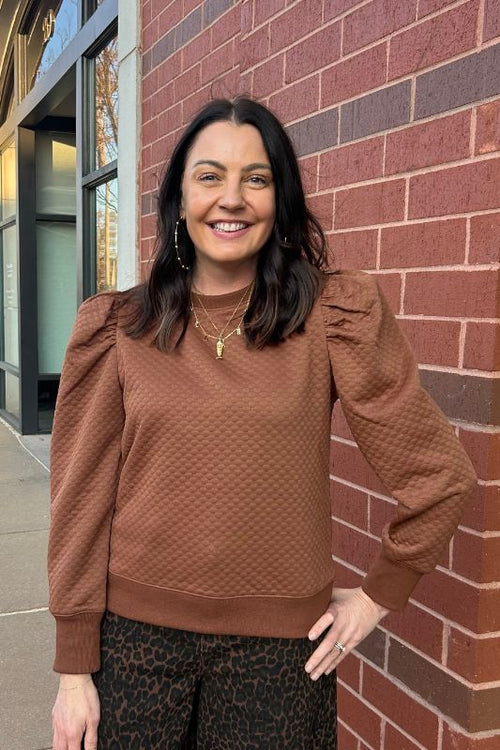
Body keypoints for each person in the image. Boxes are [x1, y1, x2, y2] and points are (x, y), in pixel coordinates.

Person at [48, 96, 477, 750]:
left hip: (278, 660)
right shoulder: (120, 328)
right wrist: (74, 668)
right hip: (133, 646)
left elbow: (439, 479)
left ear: (281, 199)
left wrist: (377, 596)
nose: (232, 198)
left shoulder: (332, 318)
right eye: (210, 176)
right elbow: (80, 501)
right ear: (179, 198)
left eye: (256, 178)